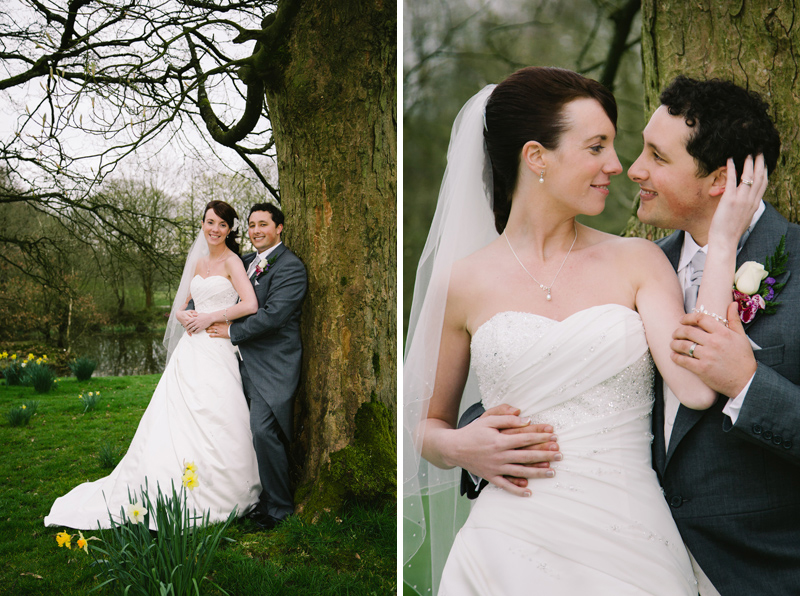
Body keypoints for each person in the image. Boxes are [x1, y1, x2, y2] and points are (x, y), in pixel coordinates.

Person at [402, 67, 765, 595]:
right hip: (506, 538)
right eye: (596, 147)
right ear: (536, 158)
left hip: (630, 540)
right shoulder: (461, 282)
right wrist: (461, 447)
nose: (616, 166)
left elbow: (696, 386)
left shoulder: (636, 260)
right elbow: (426, 426)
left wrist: (726, 238)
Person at [632, 76, 800, 595]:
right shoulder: (639, 265)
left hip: (762, 571)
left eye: (657, 157)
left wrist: (748, 383)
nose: (634, 169)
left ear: (719, 180)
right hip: (633, 557)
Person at [45, 200, 261, 530]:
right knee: (172, 417)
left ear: (230, 229)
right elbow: (180, 306)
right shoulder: (199, 261)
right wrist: (185, 315)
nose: (214, 229)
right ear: (202, 224)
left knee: (217, 414)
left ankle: (225, 489)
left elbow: (249, 304)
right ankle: (164, 478)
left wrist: (209, 316)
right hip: (190, 350)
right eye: (209, 222)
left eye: (221, 224)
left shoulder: (232, 262)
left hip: (216, 347)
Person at [207, 200, 307, 531]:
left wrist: (231, 331)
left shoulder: (290, 267)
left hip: (272, 362)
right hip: (237, 361)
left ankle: (280, 508)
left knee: (264, 430)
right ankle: (255, 498)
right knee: (237, 428)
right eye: (251, 225)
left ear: (279, 228)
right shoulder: (248, 261)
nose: (255, 231)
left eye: (263, 224)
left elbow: (274, 315)